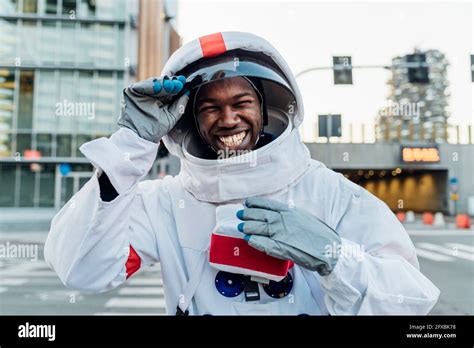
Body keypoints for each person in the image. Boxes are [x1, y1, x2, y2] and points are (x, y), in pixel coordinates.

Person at [44, 31, 440, 315]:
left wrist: (334, 257)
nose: (228, 118)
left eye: (241, 101)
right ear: (190, 121)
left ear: (266, 107)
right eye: (209, 107)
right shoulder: (164, 203)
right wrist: (130, 145)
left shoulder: (333, 194)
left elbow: (411, 301)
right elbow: (84, 270)